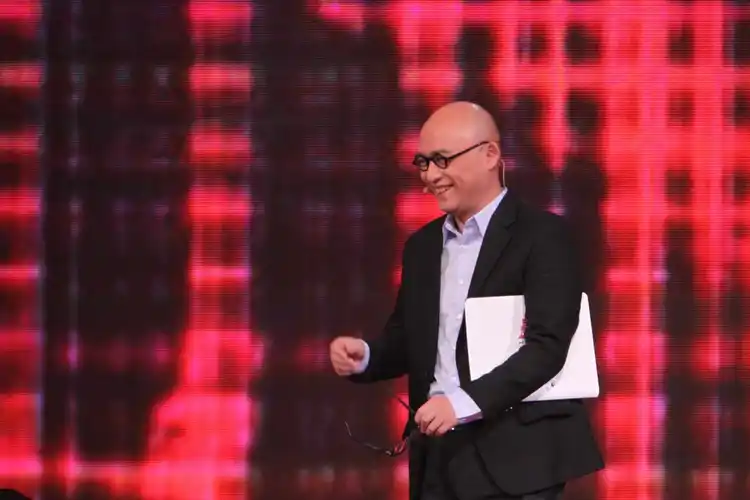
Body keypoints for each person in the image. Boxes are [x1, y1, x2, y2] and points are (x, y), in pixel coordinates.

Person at [329, 102, 603, 500]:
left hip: (517, 459)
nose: (430, 175)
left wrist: (459, 405)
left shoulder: (543, 236)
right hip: (438, 455)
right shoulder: (422, 247)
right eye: (423, 163)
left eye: (442, 160)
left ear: (490, 155)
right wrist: (367, 356)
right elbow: (410, 339)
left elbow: (547, 348)